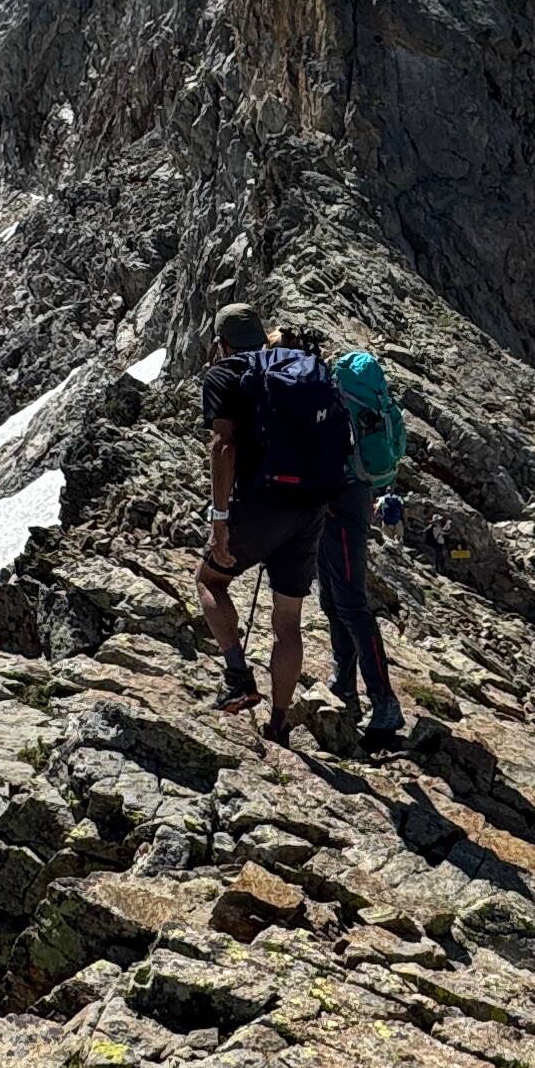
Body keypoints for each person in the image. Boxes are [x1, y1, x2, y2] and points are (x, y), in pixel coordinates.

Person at [196, 300, 350, 730]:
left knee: (210, 580)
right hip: (312, 503)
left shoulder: (225, 373)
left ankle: (237, 677)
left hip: (262, 502)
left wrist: (220, 522)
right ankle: (279, 724)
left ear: (220, 343)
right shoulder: (300, 363)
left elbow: (223, 446)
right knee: (288, 621)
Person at [285, 318, 407, 742]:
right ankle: (346, 686)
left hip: (341, 500)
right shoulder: (351, 393)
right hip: (344, 496)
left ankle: (384, 702)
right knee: (335, 601)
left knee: (350, 602)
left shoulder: (334, 394)